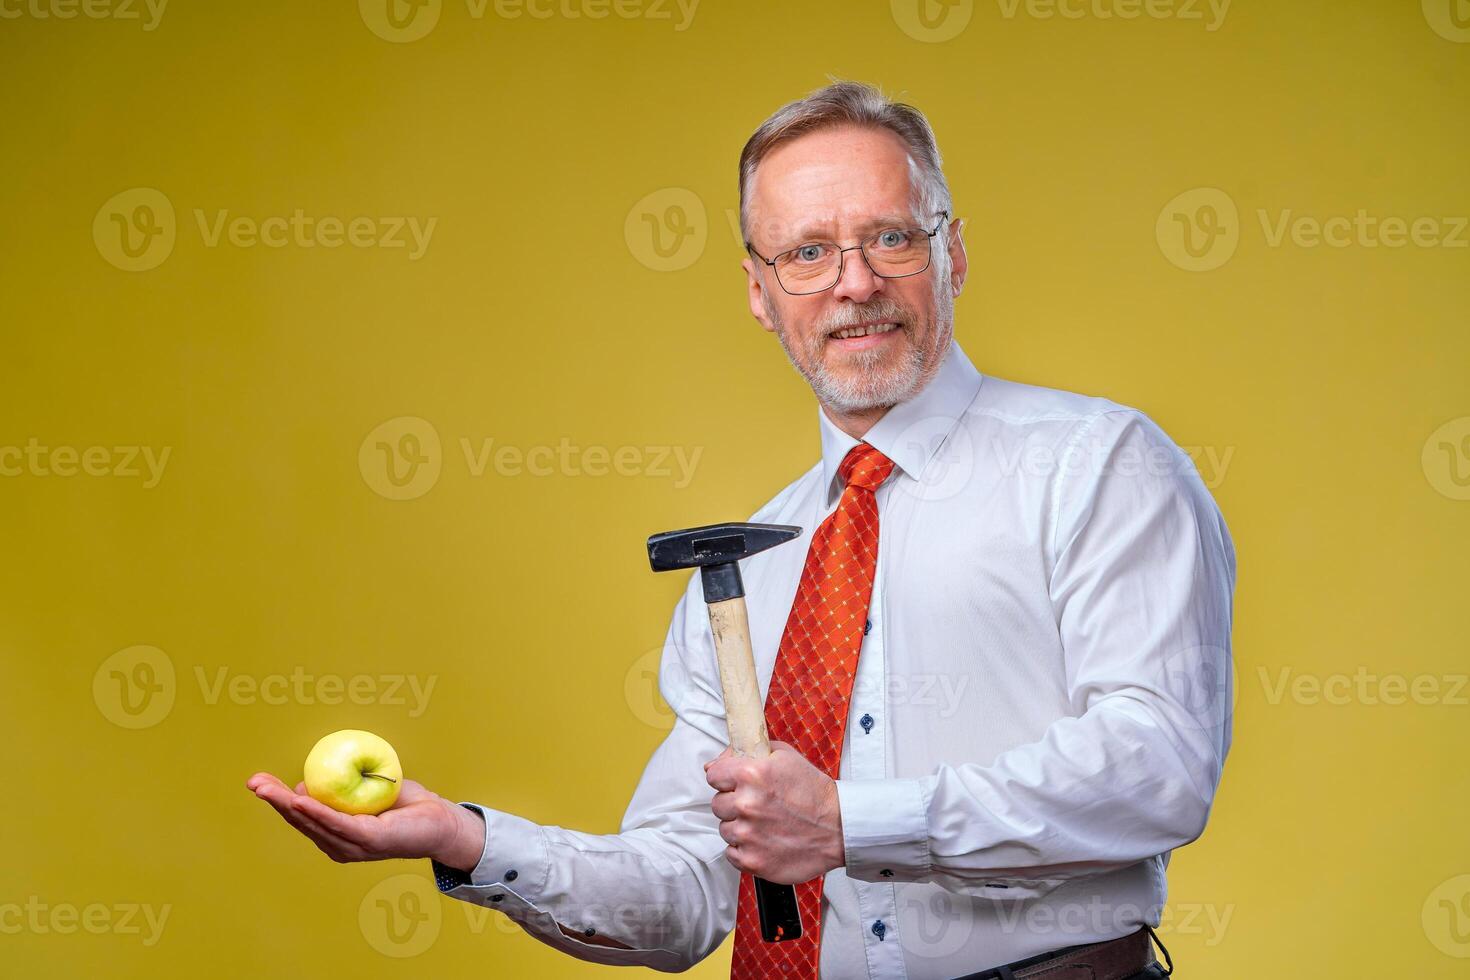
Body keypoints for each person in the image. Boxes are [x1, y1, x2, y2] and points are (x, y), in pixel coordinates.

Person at [247, 79, 1235, 980]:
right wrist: (466, 838)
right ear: (761, 294)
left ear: (953, 252)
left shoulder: (1100, 464)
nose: (854, 282)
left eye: (890, 237)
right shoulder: (748, 570)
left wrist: (852, 822)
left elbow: (1156, 765)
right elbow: (683, 896)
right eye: (807, 252)